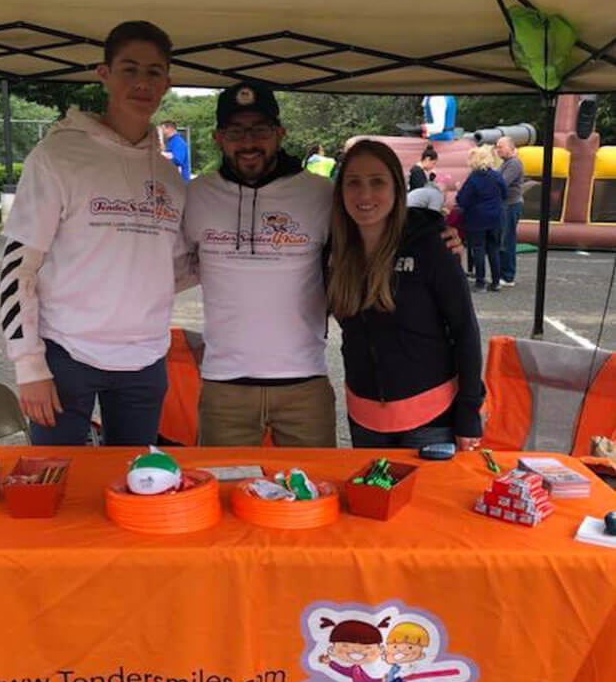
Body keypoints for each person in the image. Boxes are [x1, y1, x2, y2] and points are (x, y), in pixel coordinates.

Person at [182, 84, 462, 448]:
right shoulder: (195, 195)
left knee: (312, 499)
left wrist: (434, 232)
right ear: (218, 138)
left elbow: (374, 220)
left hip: (304, 385)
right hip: (224, 386)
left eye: (260, 130)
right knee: (223, 497)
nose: (248, 142)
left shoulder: (319, 193)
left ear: (280, 133)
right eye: (236, 132)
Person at [0, 20, 185, 446]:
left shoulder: (170, 178)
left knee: (136, 485)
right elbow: (17, 268)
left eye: (154, 72)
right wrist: (29, 367)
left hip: (145, 360)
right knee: (55, 485)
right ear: (104, 74)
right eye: (129, 69)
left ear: (167, 82)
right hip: (66, 356)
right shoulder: (59, 156)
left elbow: (173, 267)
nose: (142, 82)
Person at [327, 139, 485, 451]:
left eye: (377, 182)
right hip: (365, 416)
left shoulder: (431, 243)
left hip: (431, 419)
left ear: (398, 189)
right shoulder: (334, 249)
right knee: (368, 500)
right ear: (340, 190)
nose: (365, 194)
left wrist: (469, 411)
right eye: (353, 183)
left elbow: (465, 329)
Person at [456, 145, 507, 292]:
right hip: (496, 217)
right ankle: (496, 282)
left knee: (478, 249)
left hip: (477, 218)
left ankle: (480, 282)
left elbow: (462, 200)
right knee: (494, 249)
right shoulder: (497, 175)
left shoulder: (473, 178)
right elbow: (504, 193)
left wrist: (460, 192)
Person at [496, 136, 525, 287]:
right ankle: (504, 273)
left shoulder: (513, 164)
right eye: (497, 147)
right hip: (506, 205)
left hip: (511, 205)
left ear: (510, 147)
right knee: (504, 239)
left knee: (507, 240)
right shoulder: (506, 163)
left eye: (500, 147)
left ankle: (508, 276)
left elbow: (502, 183)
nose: (498, 150)